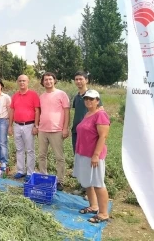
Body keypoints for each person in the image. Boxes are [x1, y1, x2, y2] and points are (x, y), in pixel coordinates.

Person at [73, 90, 110, 223]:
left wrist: (96, 155)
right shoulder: (88, 113)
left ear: (97, 101)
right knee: (88, 182)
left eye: (92, 99)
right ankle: (93, 206)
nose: (88, 101)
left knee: (98, 183)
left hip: (93, 156)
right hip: (83, 153)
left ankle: (104, 213)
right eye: (86, 98)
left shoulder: (101, 115)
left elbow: (103, 136)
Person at [72, 71, 103, 197]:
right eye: (76, 79)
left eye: (81, 79)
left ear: (86, 80)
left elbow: (101, 113)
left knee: (90, 161)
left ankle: (90, 189)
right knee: (80, 160)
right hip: (77, 132)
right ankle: (83, 186)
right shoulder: (77, 97)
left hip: (89, 135)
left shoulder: (92, 96)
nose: (78, 81)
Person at [38, 72, 70, 191]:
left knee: (59, 157)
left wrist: (65, 128)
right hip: (42, 130)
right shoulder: (41, 96)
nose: (48, 82)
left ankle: (60, 180)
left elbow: (67, 112)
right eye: (45, 80)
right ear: (43, 82)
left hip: (56, 130)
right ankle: (43, 176)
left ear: (54, 80)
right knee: (42, 155)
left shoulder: (61, 94)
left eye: (50, 79)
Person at [8, 75, 40, 182]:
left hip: (29, 125)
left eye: (24, 81)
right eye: (20, 81)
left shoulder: (33, 95)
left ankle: (30, 172)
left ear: (28, 82)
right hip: (17, 125)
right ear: (17, 82)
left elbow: (37, 111)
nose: (22, 83)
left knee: (30, 150)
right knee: (19, 149)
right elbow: (12, 110)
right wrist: (10, 125)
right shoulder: (15, 96)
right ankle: (21, 170)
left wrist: (36, 125)